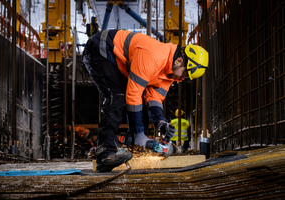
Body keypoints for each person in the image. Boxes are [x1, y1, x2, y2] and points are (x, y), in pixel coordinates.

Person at [82, 29, 209, 172]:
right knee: (117, 97)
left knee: (127, 98)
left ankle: (123, 147)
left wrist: (161, 122)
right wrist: (139, 134)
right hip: (100, 49)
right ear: (179, 60)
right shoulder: (153, 56)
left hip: (116, 61)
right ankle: (105, 154)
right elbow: (133, 94)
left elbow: (154, 99)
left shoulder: (170, 73)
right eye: (185, 74)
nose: (182, 79)